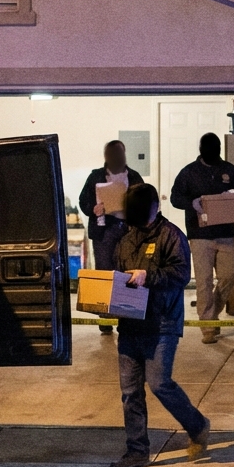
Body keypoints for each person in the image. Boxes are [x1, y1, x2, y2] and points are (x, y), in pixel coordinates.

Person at [109, 183, 212, 467]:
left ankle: (198, 425)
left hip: (162, 323)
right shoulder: (126, 241)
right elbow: (116, 274)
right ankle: (137, 451)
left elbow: (181, 274)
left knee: (159, 384)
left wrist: (148, 275)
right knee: (130, 392)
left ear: (154, 208)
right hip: (130, 325)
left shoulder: (172, 236)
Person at [169, 132, 234, 344]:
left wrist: (232, 201)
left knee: (228, 275)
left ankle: (212, 312)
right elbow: (175, 197)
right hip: (200, 235)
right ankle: (207, 326)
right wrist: (192, 203)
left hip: (225, 233)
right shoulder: (189, 172)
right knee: (203, 281)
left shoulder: (228, 170)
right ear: (201, 150)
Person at [78, 140, 145, 335]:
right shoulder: (95, 176)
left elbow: (143, 200)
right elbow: (83, 201)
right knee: (105, 272)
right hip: (104, 231)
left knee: (127, 272)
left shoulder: (133, 176)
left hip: (128, 231)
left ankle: (126, 317)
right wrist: (93, 208)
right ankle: (106, 319)